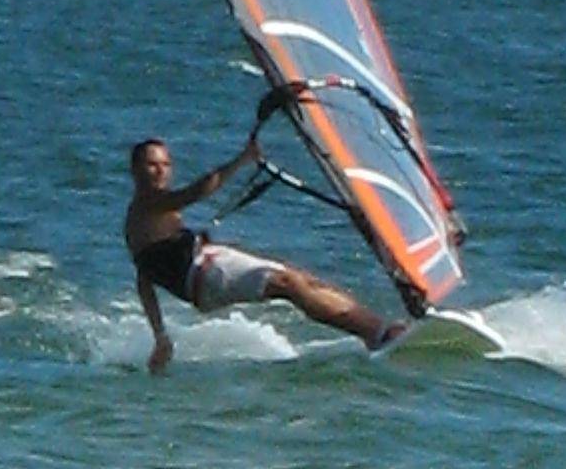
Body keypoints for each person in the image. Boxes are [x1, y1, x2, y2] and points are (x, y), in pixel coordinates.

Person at [124, 136, 407, 373]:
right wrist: (242, 159)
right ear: (135, 170)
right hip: (204, 279)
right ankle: (377, 334)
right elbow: (198, 191)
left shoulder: (149, 215)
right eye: (152, 164)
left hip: (210, 261)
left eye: (166, 164)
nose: (161, 171)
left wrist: (160, 336)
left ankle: (376, 327)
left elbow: (144, 280)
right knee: (288, 286)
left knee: (300, 279)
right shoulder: (149, 205)